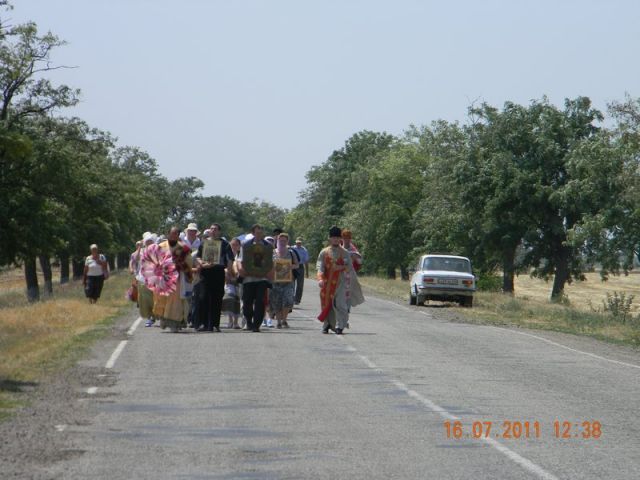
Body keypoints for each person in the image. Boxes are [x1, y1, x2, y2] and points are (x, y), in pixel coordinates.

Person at [316, 226, 365, 334]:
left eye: (338, 238)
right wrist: (320, 278)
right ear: (330, 239)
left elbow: (350, 268)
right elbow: (320, 266)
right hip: (327, 283)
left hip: (341, 283)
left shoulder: (345, 253)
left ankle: (341, 325)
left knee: (340, 304)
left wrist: (341, 267)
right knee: (327, 304)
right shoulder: (324, 252)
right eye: (333, 238)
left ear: (340, 239)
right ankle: (327, 324)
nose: (336, 240)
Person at [153, 227, 193, 333]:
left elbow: (189, 262)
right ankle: (164, 320)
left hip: (177, 278)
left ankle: (174, 323)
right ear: (168, 234)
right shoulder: (161, 247)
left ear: (178, 235)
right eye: (172, 233)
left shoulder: (183, 248)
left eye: (176, 234)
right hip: (163, 278)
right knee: (162, 299)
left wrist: (183, 267)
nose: (173, 235)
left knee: (175, 301)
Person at [195, 223, 234, 332]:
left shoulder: (225, 244)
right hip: (206, 272)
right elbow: (198, 256)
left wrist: (229, 273)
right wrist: (202, 263)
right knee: (204, 297)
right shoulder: (204, 242)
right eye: (211, 229)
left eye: (215, 229)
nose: (213, 231)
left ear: (219, 231)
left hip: (218, 271)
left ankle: (215, 324)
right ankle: (204, 323)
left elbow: (230, 259)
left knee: (216, 298)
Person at [237, 224, 273, 332]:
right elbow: (240, 260)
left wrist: (270, 273)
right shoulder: (246, 245)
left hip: (262, 279)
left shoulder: (268, 246)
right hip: (249, 278)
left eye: (261, 232)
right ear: (253, 233)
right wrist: (240, 269)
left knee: (260, 301)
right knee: (247, 302)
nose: (259, 234)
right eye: (257, 232)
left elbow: (271, 262)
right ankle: (249, 321)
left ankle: (256, 325)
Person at [270, 232, 299, 328]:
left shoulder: (291, 252)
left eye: (284, 241)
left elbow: (297, 264)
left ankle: (284, 320)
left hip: (288, 281)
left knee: (287, 301)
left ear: (287, 241)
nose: (282, 242)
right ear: (277, 241)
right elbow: (267, 265)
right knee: (277, 302)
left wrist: (290, 266)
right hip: (275, 281)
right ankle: (278, 321)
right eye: (280, 240)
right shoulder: (272, 252)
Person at [137, 233, 157, 327]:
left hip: (154, 277)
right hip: (143, 278)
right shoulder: (141, 251)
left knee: (154, 298)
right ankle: (149, 317)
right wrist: (139, 248)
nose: (149, 243)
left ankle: (155, 315)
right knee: (145, 300)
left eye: (150, 242)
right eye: (147, 242)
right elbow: (136, 258)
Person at [291, 237, 309, 304]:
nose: (298, 244)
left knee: (300, 285)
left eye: (300, 243)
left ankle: (297, 300)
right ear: (295, 242)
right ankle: (291, 298)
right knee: (291, 283)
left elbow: (306, 261)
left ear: (301, 243)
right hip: (293, 266)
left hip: (300, 267)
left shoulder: (304, 250)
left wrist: (307, 272)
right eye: (297, 242)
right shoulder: (291, 248)